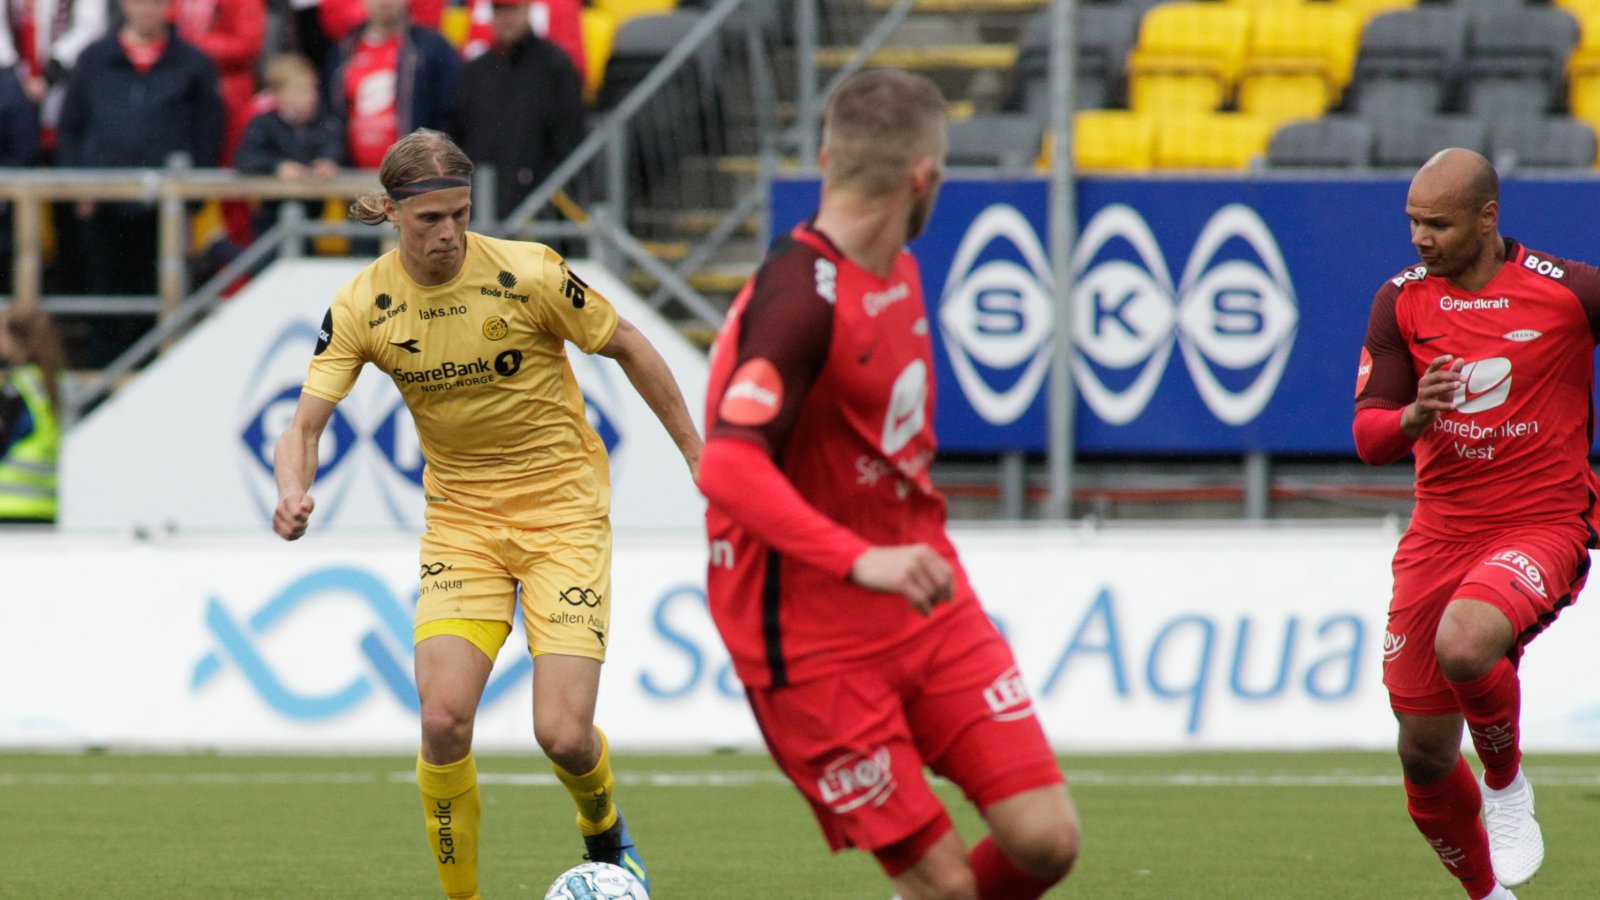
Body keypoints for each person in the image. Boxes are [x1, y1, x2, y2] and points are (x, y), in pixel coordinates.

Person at [271, 128, 700, 900]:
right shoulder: (365, 302)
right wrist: (291, 490)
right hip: (463, 526)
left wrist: (697, 454)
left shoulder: (529, 273)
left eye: (460, 215)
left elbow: (629, 343)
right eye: (431, 219)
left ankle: (604, 829)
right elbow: (303, 424)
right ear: (396, 216)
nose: (449, 234)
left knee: (562, 735)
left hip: (562, 513)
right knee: (442, 722)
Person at [696, 69, 1080, 900]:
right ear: (923, 176)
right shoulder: (798, 297)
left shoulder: (898, 271)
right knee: (944, 886)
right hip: (808, 639)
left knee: (1045, 838)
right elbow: (725, 463)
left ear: (829, 155)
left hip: (925, 602)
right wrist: (857, 560)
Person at [1353, 147, 1600, 900]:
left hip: (1541, 521)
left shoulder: (1571, 293)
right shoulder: (1400, 300)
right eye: (1412, 223)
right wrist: (1416, 414)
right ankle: (1489, 896)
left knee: (1465, 642)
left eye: (1437, 224)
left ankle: (1506, 783)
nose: (1420, 238)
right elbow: (1369, 437)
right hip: (1438, 535)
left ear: (1488, 217)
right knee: (1424, 756)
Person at [55, 0, 222, 365]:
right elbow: (70, 127)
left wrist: (191, 198)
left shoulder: (193, 64)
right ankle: (100, 392)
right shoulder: (93, 59)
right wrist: (77, 187)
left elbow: (208, 134)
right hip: (102, 207)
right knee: (104, 306)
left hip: (165, 210)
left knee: (162, 305)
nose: (147, 9)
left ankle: (154, 387)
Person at [445, 0, 584, 223]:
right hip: (483, 203)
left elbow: (570, 137)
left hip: (542, 206)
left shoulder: (555, 66)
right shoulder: (475, 72)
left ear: (528, 10)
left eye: (513, 9)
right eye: (499, 10)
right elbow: (457, 135)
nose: (506, 18)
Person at [325, 0, 459, 172]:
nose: (385, 2)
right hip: (354, 179)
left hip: (415, 178)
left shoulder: (433, 49)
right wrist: (330, 157)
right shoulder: (343, 52)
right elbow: (330, 116)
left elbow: (453, 112)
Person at [235, 53, 344, 241]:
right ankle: (218, 249)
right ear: (278, 94)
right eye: (300, 90)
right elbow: (246, 158)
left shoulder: (324, 123)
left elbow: (336, 146)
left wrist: (328, 162)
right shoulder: (263, 124)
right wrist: (278, 167)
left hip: (313, 218)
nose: (310, 97)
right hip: (272, 217)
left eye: (312, 89)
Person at [0, 306, 65, 524]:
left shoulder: (17, 390)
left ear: (15, 338)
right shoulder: (57, 385)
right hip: (46, 508)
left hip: (8, 507)